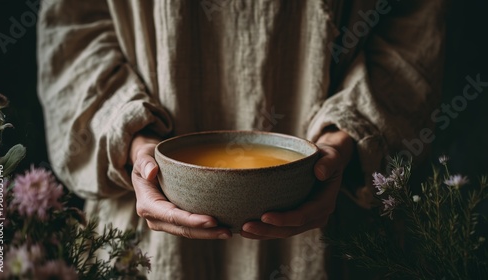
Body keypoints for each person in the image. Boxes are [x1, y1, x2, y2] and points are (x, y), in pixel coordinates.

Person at [37, 1, 444, 279]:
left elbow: (415, 26)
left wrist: (350, 133)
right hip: (144, 229)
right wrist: (132, 139)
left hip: (336, 220)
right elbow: (73, 31)